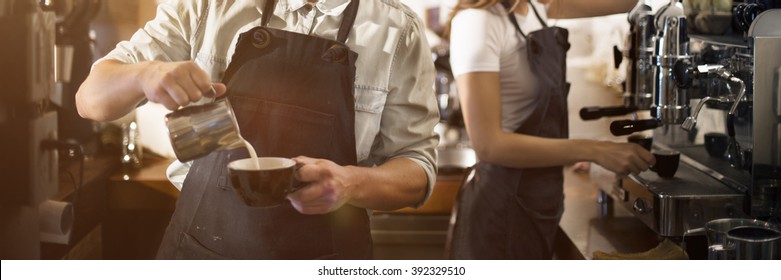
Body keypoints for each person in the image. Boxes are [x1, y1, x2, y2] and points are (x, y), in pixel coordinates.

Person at [76, 0, 439, 259]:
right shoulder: (206, 8)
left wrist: (349, 184)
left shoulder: (397, 29)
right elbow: (90, 99)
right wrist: (144, 74)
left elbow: (417, 167)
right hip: (201, 253)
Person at [446, 0, 656, 259]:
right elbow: (489, 145)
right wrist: (595, 150)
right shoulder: (477, 21)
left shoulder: (538, 7)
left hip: (542, 203)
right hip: (501, 211)